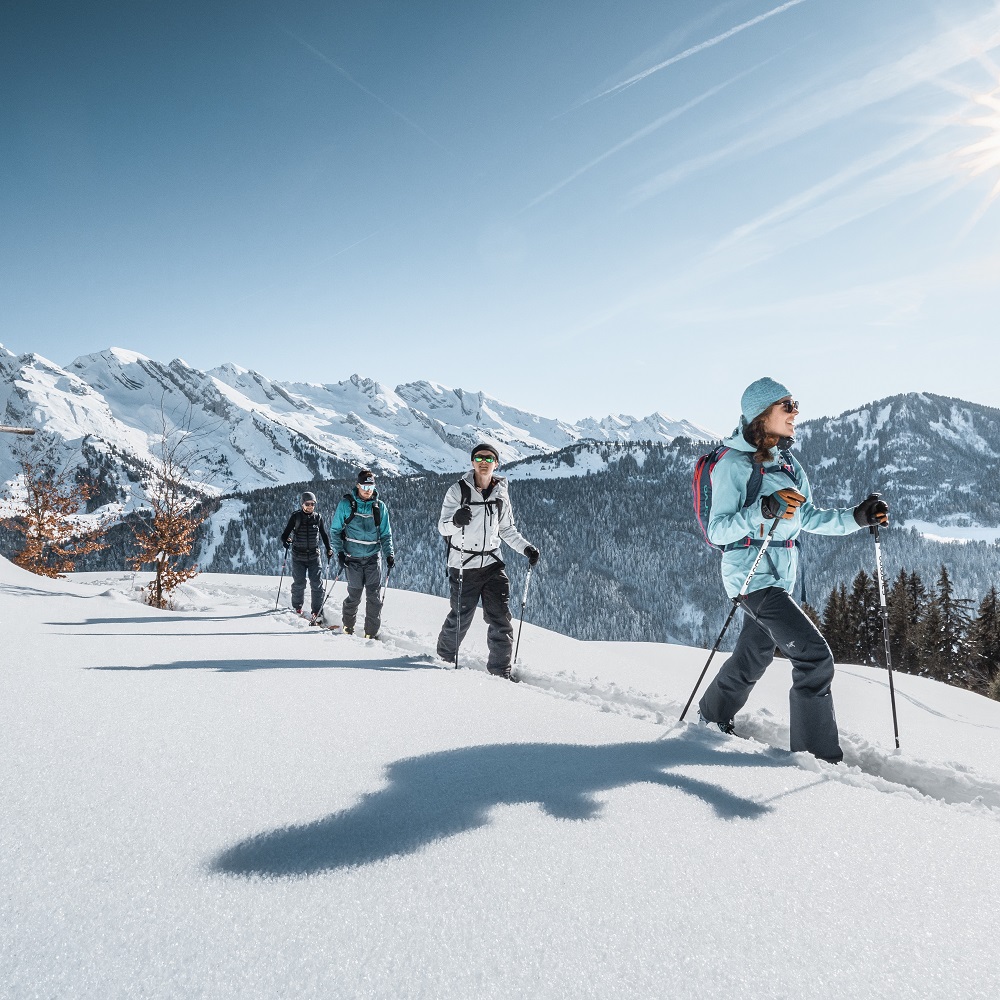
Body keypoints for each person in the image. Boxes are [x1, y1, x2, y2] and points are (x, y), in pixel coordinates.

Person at [698, 377, 889, 763]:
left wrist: (858, 517)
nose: (796, 411)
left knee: (755, 653)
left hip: (781, 577)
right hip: (750, 576)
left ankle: (711, 715)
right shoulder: (733, 464)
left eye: (794, 403)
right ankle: (816, 759)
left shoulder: (787, 462)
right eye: (787, 405)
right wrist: (761, 510)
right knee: (814, 658)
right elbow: (718, 530)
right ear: (761, 414)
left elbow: (809, 517)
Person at [436, 443, 540, 679]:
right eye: (479, 458)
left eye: (489, 458)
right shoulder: (457, 491)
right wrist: (456, 520)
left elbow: (507, 529)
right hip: (464, 564)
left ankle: (500, 673)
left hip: (493, 564)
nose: (484, 462)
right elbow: (442, 526)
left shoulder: (500, 493)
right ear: (472, 462)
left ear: (496, 463)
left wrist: (527, 549)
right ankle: (442, 658)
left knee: (500, 619)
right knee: (461, 617)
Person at [331, 469, 395, 637]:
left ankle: (371, 634)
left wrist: (389, 554)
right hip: (353, 559)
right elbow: (335, 531)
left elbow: (386, 534)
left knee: (374, 598)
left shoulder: (380, 507)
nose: (368, 490)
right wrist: (340, 553)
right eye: (364, 486)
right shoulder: (346, 505)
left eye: (371, 486)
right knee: (354, 595)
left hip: (373, 558)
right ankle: (348, 627)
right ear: (357, 485)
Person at [280, 491, 333, 620]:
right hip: (298, 556)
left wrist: (328, 548)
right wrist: (286, 542)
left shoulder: (318, 517)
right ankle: (297, 608)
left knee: (317, 584)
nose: (310, 506)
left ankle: (317, 611)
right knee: (299, 583)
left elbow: (324, 535)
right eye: (307, 504)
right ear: (302, 504)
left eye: (312, 504)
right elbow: (284, 535)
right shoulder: (296, 517)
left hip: (314, 556)